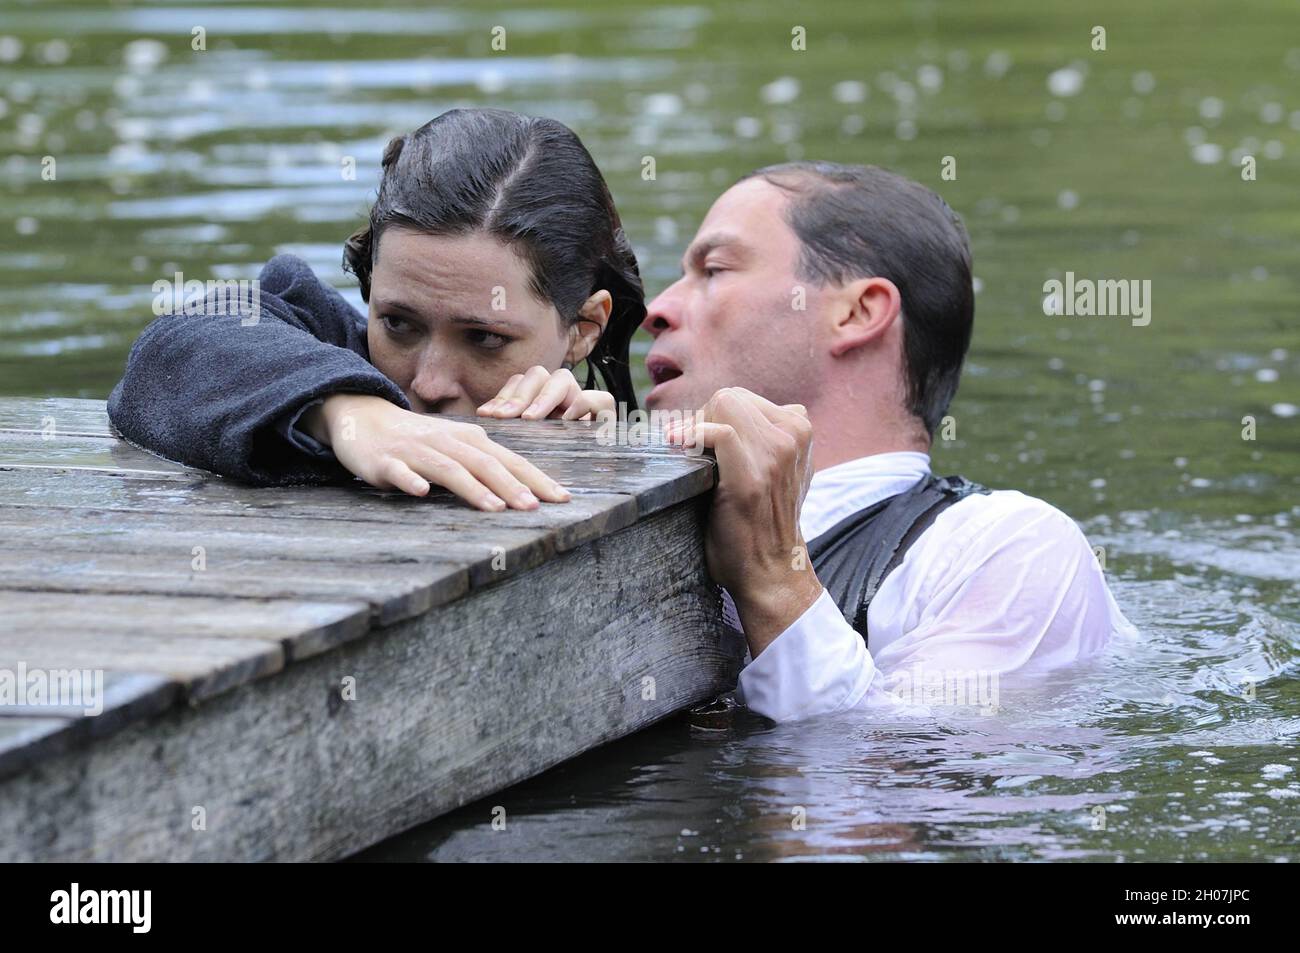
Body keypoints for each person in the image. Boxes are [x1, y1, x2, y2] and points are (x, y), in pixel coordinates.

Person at [506, 162, 1136, 723]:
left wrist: (775, 578)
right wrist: (558, 487)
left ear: (859, 312)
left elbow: (893, 797)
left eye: (715, 270)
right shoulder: (626, 501)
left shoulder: (1007, 549)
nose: (654, 312)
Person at [108, 107, 640, 512]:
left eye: (484, 338)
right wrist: (347, 412)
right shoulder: (323, 341)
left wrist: (580, 456)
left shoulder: (618, 440)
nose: (429, 385)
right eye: (399, 324)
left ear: (584, 329)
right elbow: (173, 349)